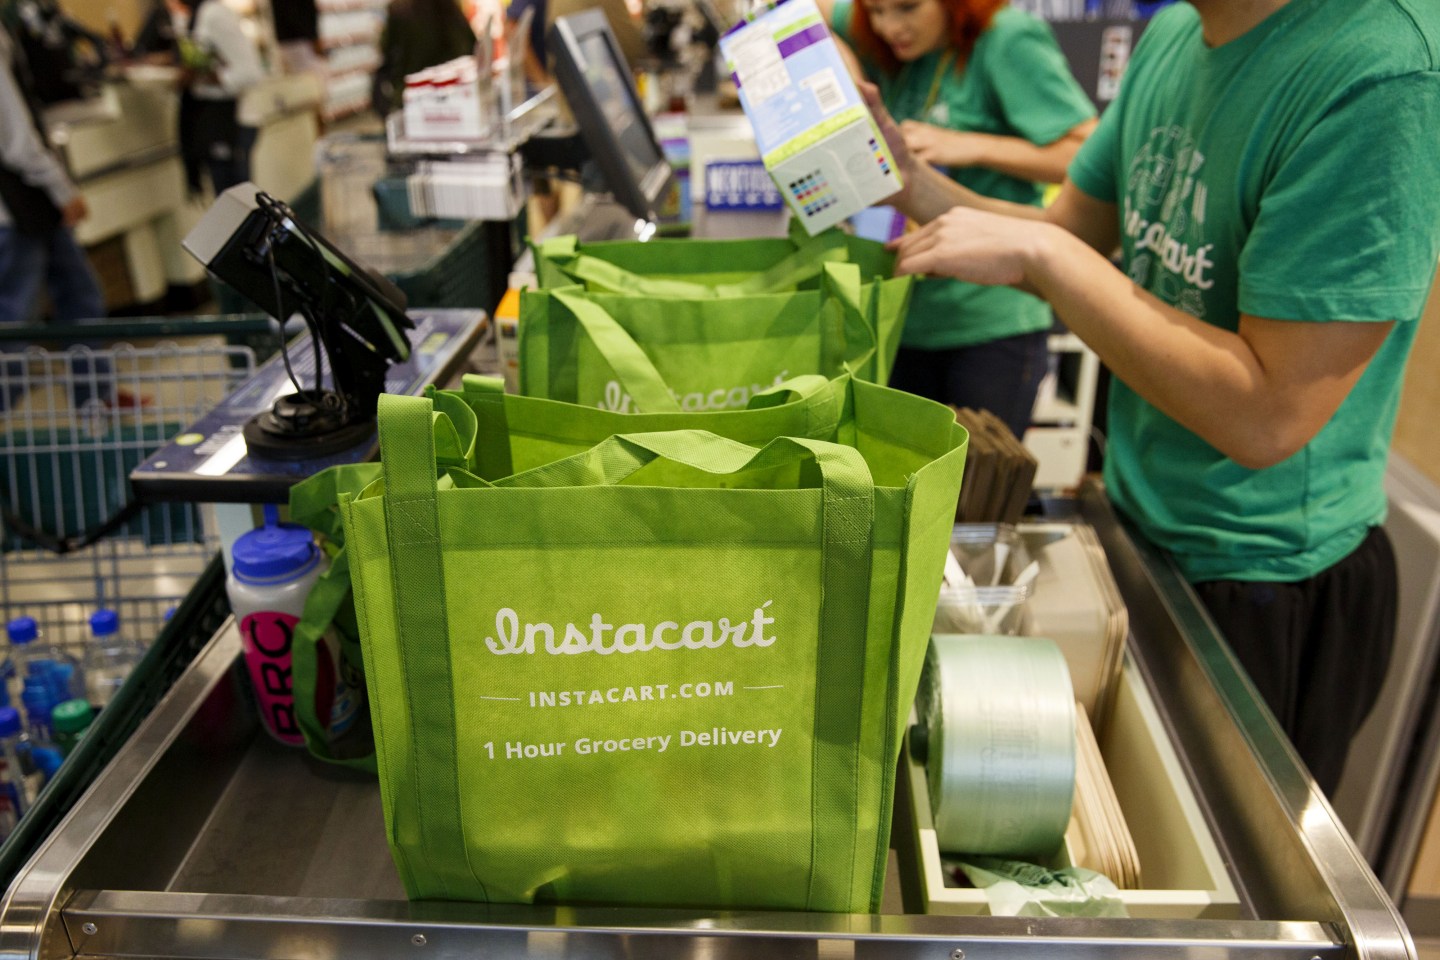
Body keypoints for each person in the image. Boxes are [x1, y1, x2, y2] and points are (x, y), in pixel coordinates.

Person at [878, 0, 1440, 794]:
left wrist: (1044, 254)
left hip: (1260, 577)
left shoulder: (1383, 70)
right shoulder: (1182, 30)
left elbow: (1268, 414)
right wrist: (910, 182)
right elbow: (1073, 232)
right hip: (1139, 529)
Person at [817, 0, 1095, 438]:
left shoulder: (1006, 41)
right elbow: (802, 13)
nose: (891, 27)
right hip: (903, 315)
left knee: (974, 494)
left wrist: (970, 145)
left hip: (987, 321)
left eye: (908, 8)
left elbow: (1087, 154)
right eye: (876, 11)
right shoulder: (893, 46)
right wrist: (846, 82)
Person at [0, 19, 112, 410]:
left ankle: (93, 397)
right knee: (13, 324)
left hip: (27, 205)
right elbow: (15, 137)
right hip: (16, 207)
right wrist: (61, 188)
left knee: (80, 295)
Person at [165, 0, 265, 197]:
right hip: (215, 125)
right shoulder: (197, 15)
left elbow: (250, 73)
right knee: (228, 205)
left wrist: (204, 76)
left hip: (231, 125)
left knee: (239, 207)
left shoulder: (215, 14)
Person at [372, 0, 476, 117]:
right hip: (452, 95)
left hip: (411, 94)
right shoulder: (450, 8)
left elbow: (386, 49)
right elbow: (471, 46)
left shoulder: (399, 9)